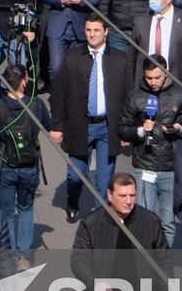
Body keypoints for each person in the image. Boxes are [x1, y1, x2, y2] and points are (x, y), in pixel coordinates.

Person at [52, 15, 133, 223]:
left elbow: (128, 97)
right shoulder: (72, 57)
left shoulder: (120, 59)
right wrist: (57, 126)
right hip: (80, 126)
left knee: (105, 179)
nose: (92, 34)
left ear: (106, 31)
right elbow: (59, 93)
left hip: (108, 127)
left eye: (96, 30)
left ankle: (99, 219)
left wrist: (127, 130)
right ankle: (72, 202)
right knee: (75, 175)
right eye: (88, 30)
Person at [116, 55, 182, 245]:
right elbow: (122, 128)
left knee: (167, 222)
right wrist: (139, 130)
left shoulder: (180, 95)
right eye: (149, 78)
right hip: (145, 166)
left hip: (171, 167)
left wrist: (179, 128)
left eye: (157, 77)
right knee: (142, 220)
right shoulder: (135, 97)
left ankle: (162, 264)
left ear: (166, 73)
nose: (153, 82)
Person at [0, 63, 50, 263]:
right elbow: (48, 125)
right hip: (30, 166)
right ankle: (24, 254)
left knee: (7, 212)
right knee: (26, 209)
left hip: (7, 166)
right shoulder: (36, 104)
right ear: (23, 82)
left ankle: (8, 253)